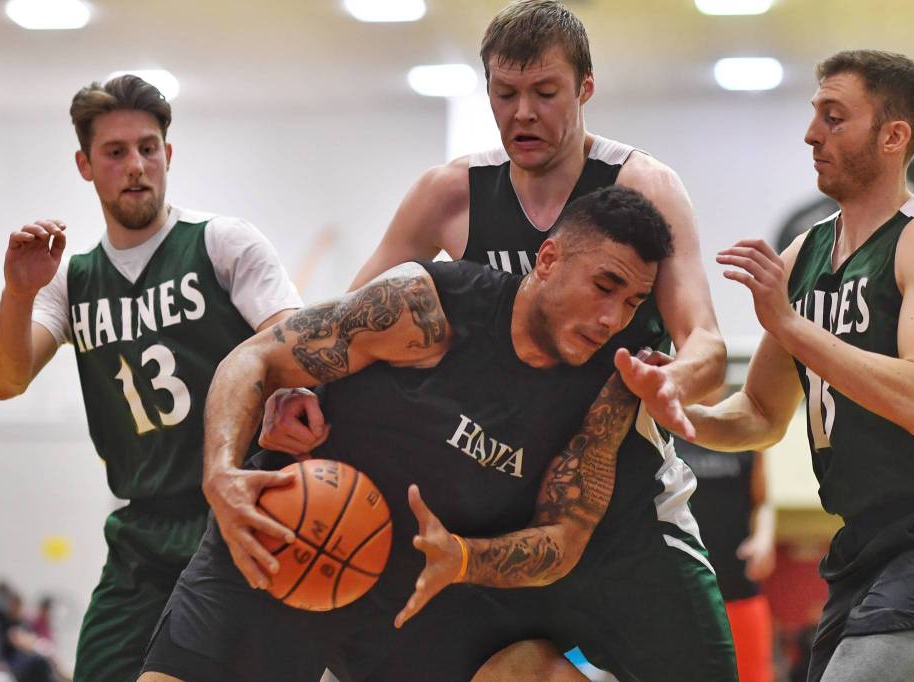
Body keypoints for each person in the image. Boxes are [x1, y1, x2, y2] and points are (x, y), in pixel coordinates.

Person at [259, 1, 736, 678]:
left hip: (620, 506)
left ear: (585, 89)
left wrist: (670, 383)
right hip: (494, 513)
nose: (523, 114)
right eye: (505, 94)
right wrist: (299, 388)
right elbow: (345, 320)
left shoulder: (643, 187)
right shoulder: (449, 196)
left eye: (545, 93)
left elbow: (707, 346)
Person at [139, 186, 670, 681]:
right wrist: (220, 474)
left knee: (540, 671)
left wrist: (463, 557)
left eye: (631, 303)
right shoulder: (426, 307)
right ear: (549, 260)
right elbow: (255, 359)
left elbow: (564, 538)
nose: (611, 318)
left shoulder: (601, 390)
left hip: (422, 587)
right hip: (290, 534)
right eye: (605, 286)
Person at [621, 50, 914, 682]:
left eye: (834, 118)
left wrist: (792, 325)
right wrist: (677, 412)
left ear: (893, 136)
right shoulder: (807, 252)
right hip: (861, 539)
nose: (811, 134)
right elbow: (759, 413)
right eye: (815, 116)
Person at [0, 75, 302, 681]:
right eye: (115, 152)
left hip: (237, 501)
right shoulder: (71, 279)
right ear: (85, 165)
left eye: (148, 147)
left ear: (168, 154)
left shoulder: (221, 243)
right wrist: (17, 292)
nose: (136, 165)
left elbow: (298, 344)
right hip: (143, 527)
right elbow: (5, 380)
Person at [676, 431, 775, 682]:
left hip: (739, 586)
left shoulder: (745, 429)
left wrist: (763, 537)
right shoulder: (664, 431)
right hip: (682, 593)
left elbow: (762, 502)